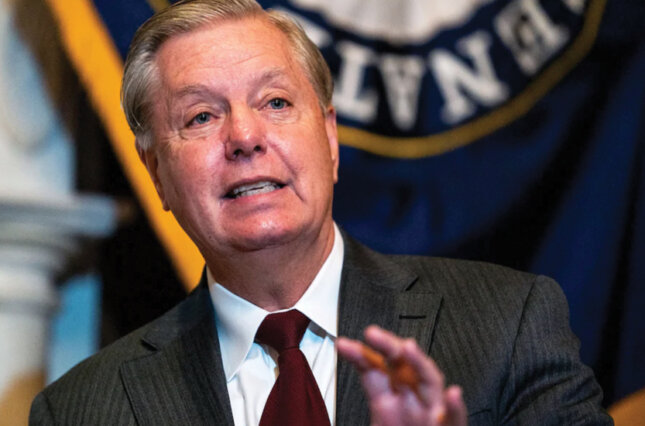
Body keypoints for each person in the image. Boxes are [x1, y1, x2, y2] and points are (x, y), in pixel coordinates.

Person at [30, 0, 612, 425]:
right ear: (156, 173)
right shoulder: (81, 409)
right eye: (201, 116)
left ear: (330, 139)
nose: (245, 136)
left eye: (276, 102)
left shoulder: (510, 324)